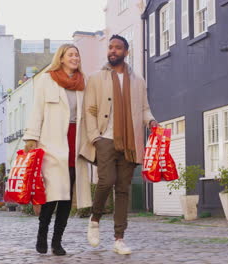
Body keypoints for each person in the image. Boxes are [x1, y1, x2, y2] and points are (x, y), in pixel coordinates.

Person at [80, 35, 158, 255]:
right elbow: (90, 109)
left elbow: (144, 109)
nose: (113, 51)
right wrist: (95, 136)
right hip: (105, 138)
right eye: (110, 47)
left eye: (118, 48)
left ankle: (119, 238)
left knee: (123, 190)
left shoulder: (138, 80)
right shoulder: (96, 78)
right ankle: (95, 219)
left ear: (126, 52)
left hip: (131, 141)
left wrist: (150, 121)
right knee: (107, 181)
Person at [23, 44, 92, 256]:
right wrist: (31, 137)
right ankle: (41, 236)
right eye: (71, 54)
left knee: (66, 197)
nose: (75, 58)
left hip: (75, 142)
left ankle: (57, 241)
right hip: (52, 143)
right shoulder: (47, 79)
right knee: (52, 194)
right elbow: (37, 110)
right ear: (61, 58)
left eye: (77, 55)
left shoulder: (83, 82)